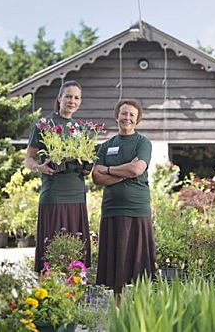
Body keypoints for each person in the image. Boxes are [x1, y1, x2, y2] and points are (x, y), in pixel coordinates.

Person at [25, 80, 91, 272]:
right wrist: (40, 168)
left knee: (76, 250)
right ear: (59, 98)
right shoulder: (44, 125)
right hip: (53, 193)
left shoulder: (81, 128)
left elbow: (85, 159)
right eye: (68, 96)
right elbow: (28, 159)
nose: (72, 101)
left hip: (77, 194)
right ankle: (48, 293)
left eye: (76, 97)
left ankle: (76, 292)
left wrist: (87, 168)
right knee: (51, 248)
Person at [92, 98, 156, 295]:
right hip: (112, 210)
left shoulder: (143, 143)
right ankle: (118, 308)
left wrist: (110, 170)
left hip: (137, 209)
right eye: (124, 113)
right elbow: (96, 177)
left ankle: (140, 308)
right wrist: (125, 172)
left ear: (137, 120)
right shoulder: (105, 146)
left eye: (131, 115)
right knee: (116, 264)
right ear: (117, 116)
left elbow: (137, 169)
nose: (127, 117)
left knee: (138, 263)